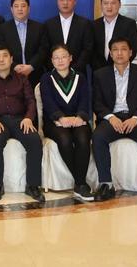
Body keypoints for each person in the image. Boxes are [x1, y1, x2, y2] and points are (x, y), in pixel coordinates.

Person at [92, 37, 137, 207]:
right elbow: (96, 102)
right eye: (115, 49)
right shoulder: (100, 74)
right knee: (98, 137)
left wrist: (135, 118)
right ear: (110, 54)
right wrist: (110, 117)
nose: (119, 53)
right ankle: (106, 184)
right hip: (113, 118)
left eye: (123, 49)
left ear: (131, 52)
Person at [0, 43, 45, 202]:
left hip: (20, 120)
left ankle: (33, 186)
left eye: (5, 56)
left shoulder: (21, 78)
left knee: (34, 140)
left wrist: (28, 118)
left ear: (11, 59)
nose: (1, 60)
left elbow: (30, 100)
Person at [39, 44, 93, 201]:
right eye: (56, 58)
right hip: (54, 122)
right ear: (52, 61)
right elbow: (48, 103)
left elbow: (85, 100)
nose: (60, 60)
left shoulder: (80, 78)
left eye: (63, 57)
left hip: (77, 120)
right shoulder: (46, 78)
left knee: (83, 137)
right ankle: (81, 183)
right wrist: (61, 118)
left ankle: (79, 184)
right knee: (65, 139)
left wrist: (80, 117)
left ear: (70, 58)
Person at [0, 0, 46, 88]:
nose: (20, 9)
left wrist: (31, 66)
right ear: (11, 9)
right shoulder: (3, 28)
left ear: (28, 9)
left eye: (23, 6)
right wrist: (14, 66)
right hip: (11, 73)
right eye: (16, 6)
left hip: (35, 74)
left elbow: (43, 50)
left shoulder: (39, 27)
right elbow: (1, 50)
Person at [43, 0, 93, 75]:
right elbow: (45, 49)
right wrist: (55, 68)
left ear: (75, 1)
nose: (65, 3)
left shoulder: (85, 24)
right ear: (57, 2)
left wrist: (74, 69)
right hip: (54, 73)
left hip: (78, 73)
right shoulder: (48, 24)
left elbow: (88, 49)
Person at [92, 0, 137, 70]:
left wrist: (118, 67)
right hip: (98, 72)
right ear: (101, 5)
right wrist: (100, 71)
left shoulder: (129, 24)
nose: (109, 6)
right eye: (105, 3)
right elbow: (90, 51)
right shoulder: (94, 25)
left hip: (120, 70)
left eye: (113, 3)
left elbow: (133, 50)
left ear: (119, 4)